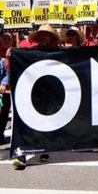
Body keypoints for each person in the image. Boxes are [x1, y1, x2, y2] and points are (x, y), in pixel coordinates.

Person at [13, 24, 61, 169]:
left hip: (51, 92)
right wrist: (13, 53)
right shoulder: (30, 52)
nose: (42, 37)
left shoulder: (58, 52)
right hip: (32, 92)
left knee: (46, 122)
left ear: (51, 37)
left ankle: (44, 149)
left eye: (45, 34)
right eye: (40, 35)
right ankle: (21, 154)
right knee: (25, 122)